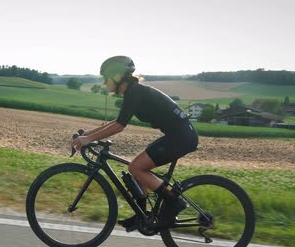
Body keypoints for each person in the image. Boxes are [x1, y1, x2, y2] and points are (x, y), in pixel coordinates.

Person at [71, 56, 199, 231]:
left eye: (105, 78)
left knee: (136, 168)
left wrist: (88, 139)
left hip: (181, 137)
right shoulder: (134, 92)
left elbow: (119, 126)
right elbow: (119, 120)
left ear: (117, 77)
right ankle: (141, 214)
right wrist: (88, 134)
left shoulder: (134, 92)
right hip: (179, 135)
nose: (104, 82)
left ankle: (174, 202)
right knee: (137, 168)